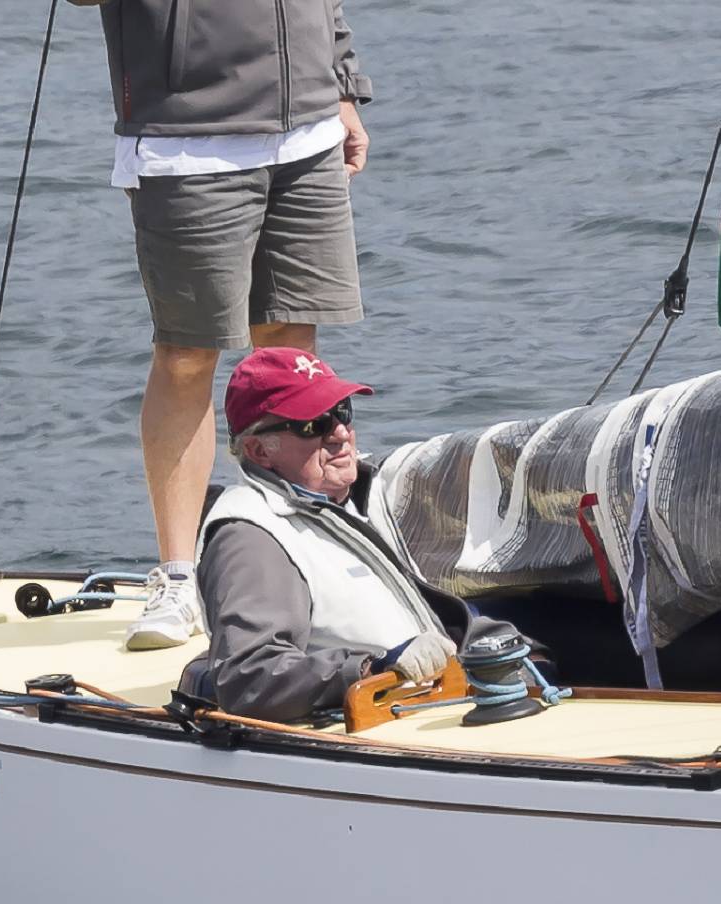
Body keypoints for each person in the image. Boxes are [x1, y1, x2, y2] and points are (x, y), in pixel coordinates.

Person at [67, 0, 374, 650]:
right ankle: (180, 578)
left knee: (291, 354)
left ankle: (298, 557)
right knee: (186, 355)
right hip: (188, 138)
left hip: (310, 129)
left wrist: (343, 82)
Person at [196, 347, 502, 722]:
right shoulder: (250, 537)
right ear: (259, 450)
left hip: (426, 703)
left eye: (342, 413)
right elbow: (249, 678)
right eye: (314, 425)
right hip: (382, 723)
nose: (340, 433)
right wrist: (371, 668)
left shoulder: (350, 501)